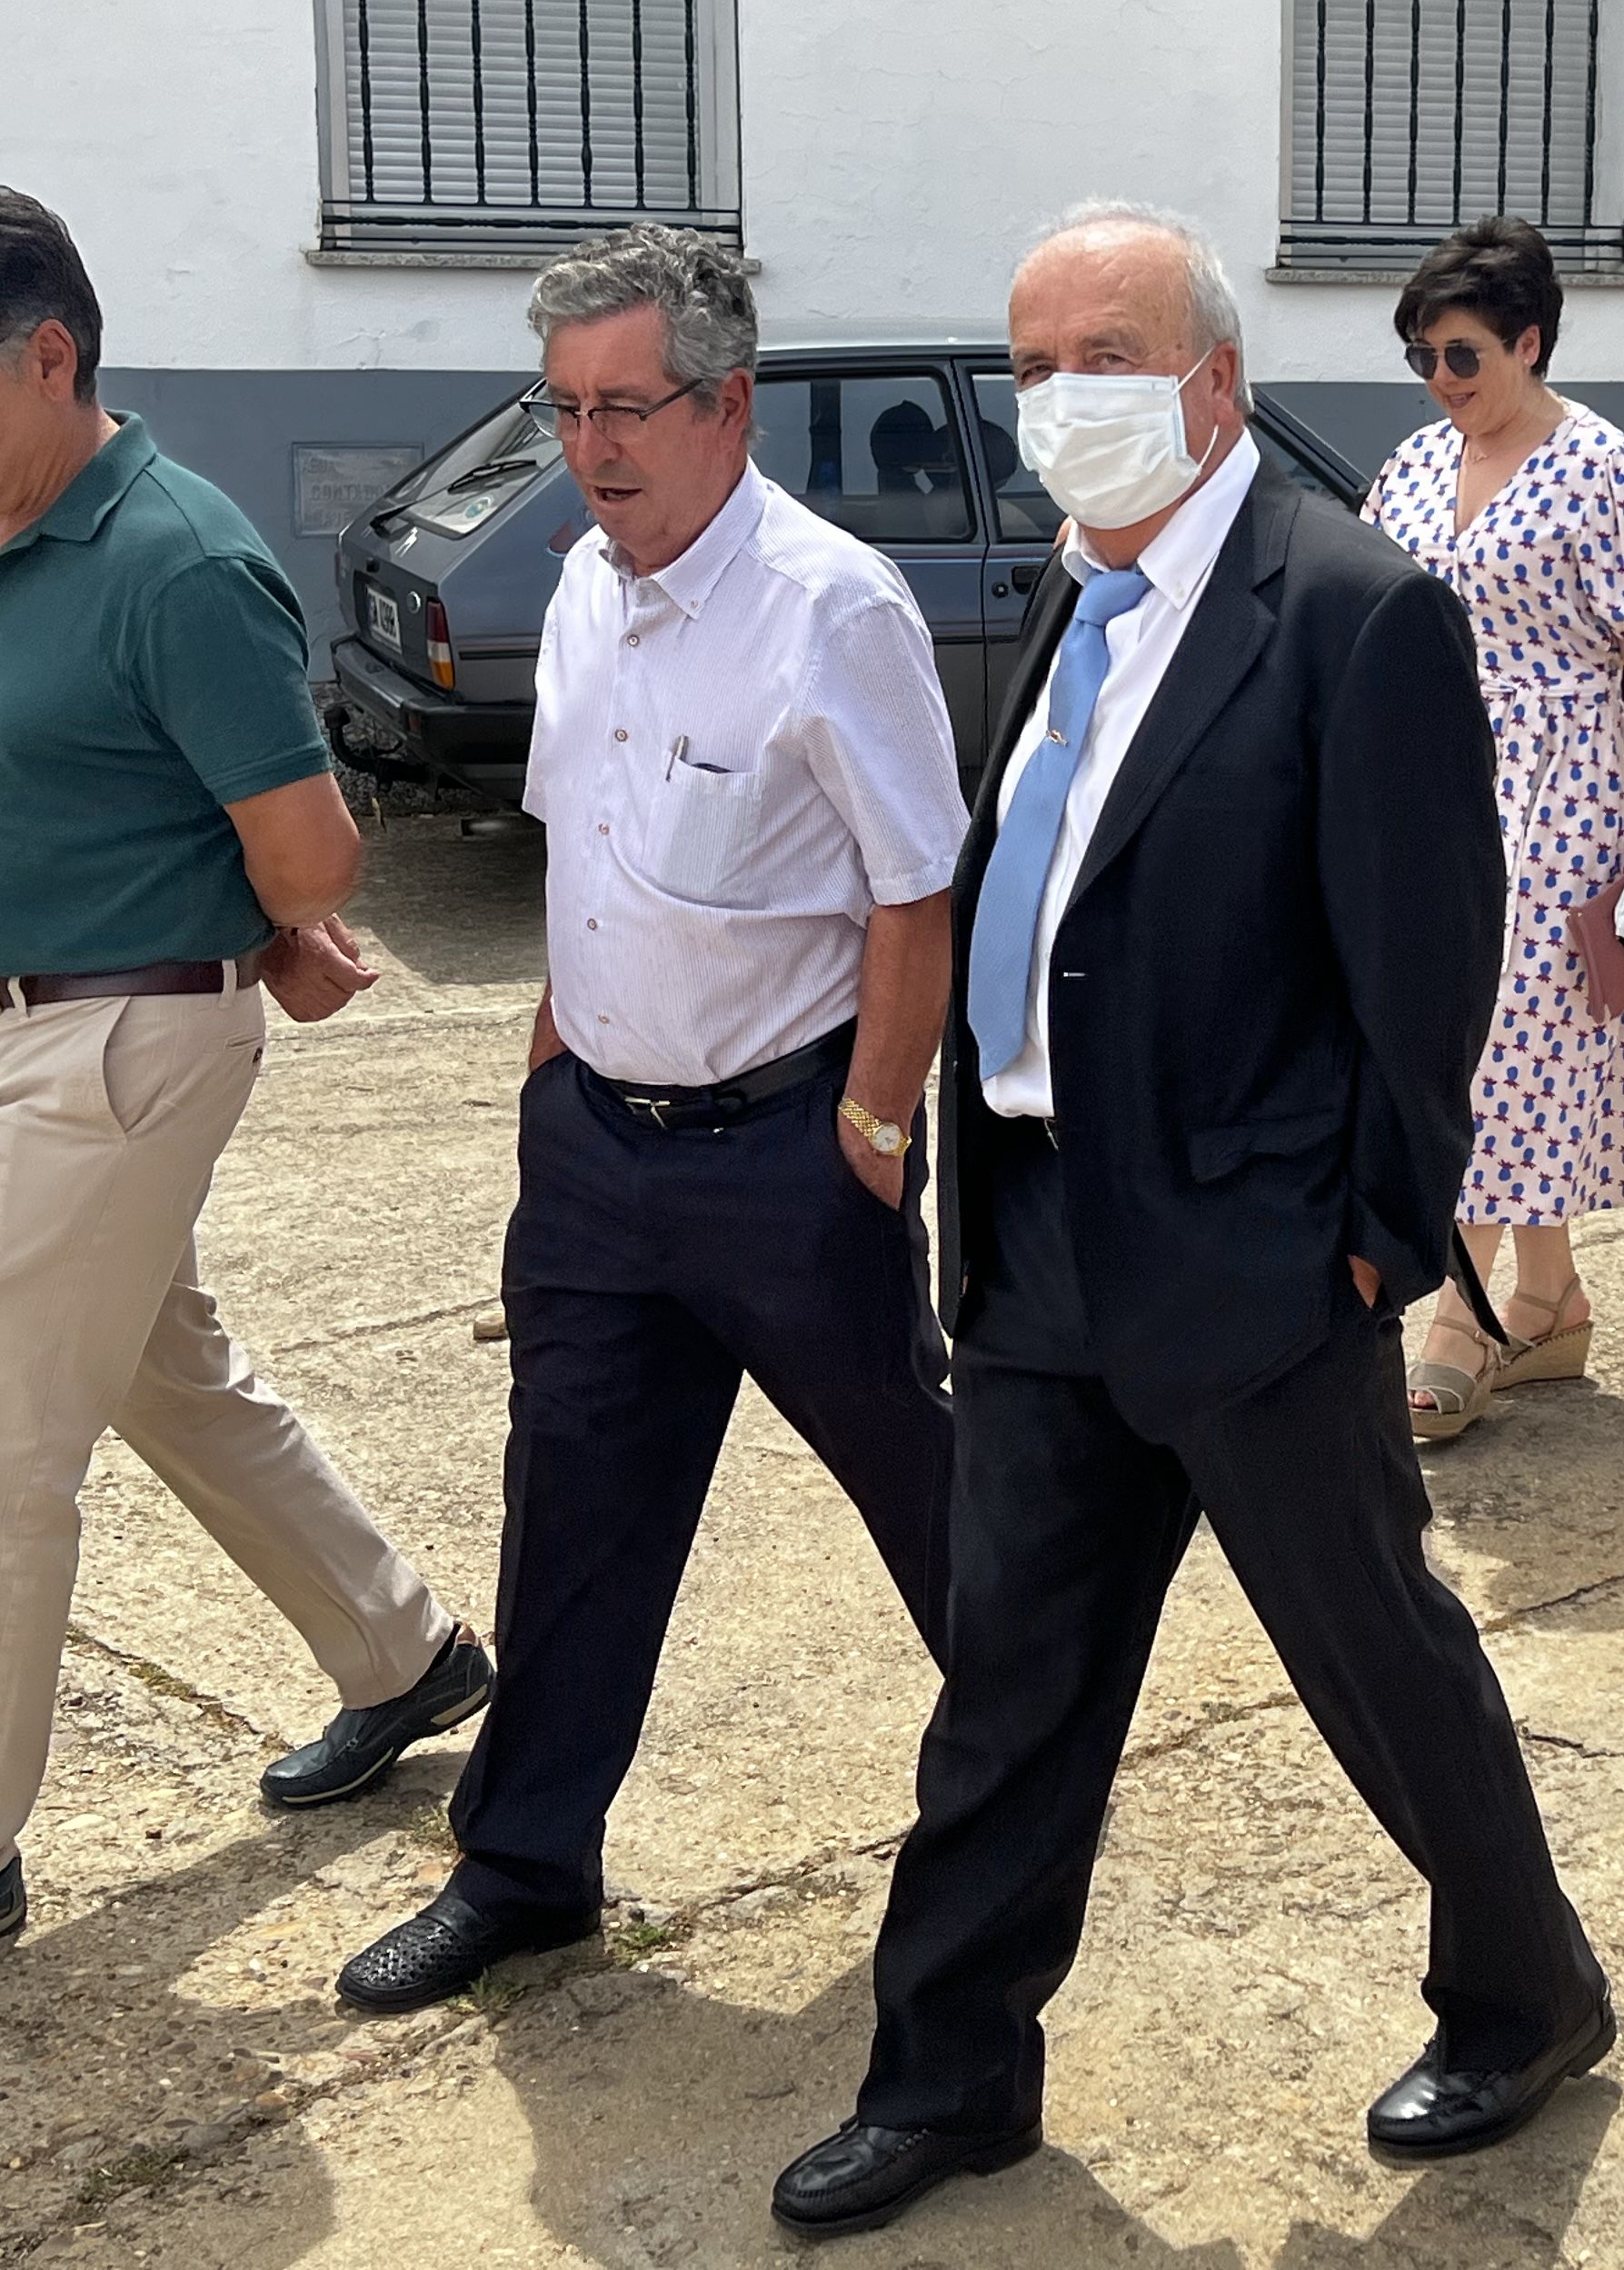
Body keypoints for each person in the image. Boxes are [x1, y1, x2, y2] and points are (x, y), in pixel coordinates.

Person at [768, 204, 1609, 2242]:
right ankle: (951, 2073)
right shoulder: (1088, 593)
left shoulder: (1348, 609)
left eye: (1106, 358)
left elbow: (1431, 974)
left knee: (1369, 1648)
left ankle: (1525, 1993)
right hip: (1048, 1231)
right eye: (1034, 363)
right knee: (1014, 1679)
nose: (1062, 402)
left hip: (1254, 1255)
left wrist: (1364, 1245)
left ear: (1214, 379)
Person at [0, 185, 483, 2013]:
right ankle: (403, 1657)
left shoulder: (173, 557)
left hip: (115, 1049)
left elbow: (313, 845)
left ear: (49, 354)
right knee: (173, 1379)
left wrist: (261, 928)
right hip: (34, 1033)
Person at [334, 225, 962, 2012]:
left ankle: (1029, 1793)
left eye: (628, 407)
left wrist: (874, 1129)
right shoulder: (593, 585)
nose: (594, 445)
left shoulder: (832, 607)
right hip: (597, 1156)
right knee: (576, 1507)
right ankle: (528, 1865)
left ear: (727, 402)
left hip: (790, 1156)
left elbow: (919, 890)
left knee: (928, 1498)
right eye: (565, 411)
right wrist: (554, 1063)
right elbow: (579, 845)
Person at [1361, 215, 1624, 1439]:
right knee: (1457, 1032)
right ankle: (1548, 1293)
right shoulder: (1407, 469)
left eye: (1463, 357)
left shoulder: (1607, 467)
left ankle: (1464, 1317)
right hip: (1432, 781)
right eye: (1425, 361)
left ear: (1528, 342)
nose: (1443, 384)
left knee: (1502, 1041)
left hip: (1560, 784)